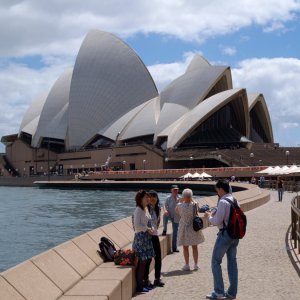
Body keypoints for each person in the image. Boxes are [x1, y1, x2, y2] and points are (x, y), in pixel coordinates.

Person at [205, 180, 240, 300]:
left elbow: (216, 221)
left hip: (225, 235)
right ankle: (232, 293)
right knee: (232, 263)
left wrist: (209, 216)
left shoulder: (223, 202)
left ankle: (219, 291)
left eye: (217, 190)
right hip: (235, 235)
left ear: (221, 189)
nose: (217, 192)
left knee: (215, 261)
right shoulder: (235, 200)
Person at [175, 188, 205, 271]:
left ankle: (187, 265)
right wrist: (191, 199)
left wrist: (181, 200)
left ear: (183, 196)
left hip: (184, 227)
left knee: (185, 247)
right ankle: (196, 264)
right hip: (193, 228)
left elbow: (177, 212)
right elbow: (198, 210)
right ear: (191, 196)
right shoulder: (195, 204)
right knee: (195, 247)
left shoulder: (180, 205)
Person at [132, 190, 155, 293]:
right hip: (141, 238)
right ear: (140, 199)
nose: (148, 199)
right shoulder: (138, 210)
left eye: (148, 197)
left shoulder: (145, 209)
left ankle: (143, 283)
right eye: (146, 197)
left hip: (146, 238)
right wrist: (147, 229)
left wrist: (151, 228)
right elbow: (137, 225)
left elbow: (148, 222)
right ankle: (139, 286)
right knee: (142, 262)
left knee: (145, 262)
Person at [144, 190, 165, 287]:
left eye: (155, 197)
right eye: (151, 197)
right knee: (148, 259)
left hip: (155, 236)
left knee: (158, 258)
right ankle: (146, 280)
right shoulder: (145, 209)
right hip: (148, 236)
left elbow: (157, 223)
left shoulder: (158, 209)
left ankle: (157, 279)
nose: (153, 199)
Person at [162, 185, 180, 252]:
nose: (176, 191)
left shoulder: (180, 198)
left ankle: (174, 248)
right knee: (164, 215)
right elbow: (164, 206)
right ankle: (164, 230)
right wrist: (165, 210)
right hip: (169, 215)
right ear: (171, 190)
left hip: (176, 217)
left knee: (175, 233)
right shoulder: (168, 198)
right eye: (174, 190)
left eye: (177, 190)